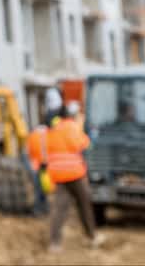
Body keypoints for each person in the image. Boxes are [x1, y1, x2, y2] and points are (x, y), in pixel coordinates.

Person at [46, 101, 104, 251]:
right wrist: (89, 136)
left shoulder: (54, 129)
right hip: (73, 173)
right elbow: (81, 144)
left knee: (60, 208)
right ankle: (92, 236)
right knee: (84, 203)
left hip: (58, 174)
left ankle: (54, 242)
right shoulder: (72, 127)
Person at [26, 121, 50, 216]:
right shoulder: (48, 134)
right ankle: (44, 208)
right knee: (44, 187)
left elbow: (29, 151)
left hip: (35, 165)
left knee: (38, 188)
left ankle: (38, 209)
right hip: (46, 164)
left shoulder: (32, 135)